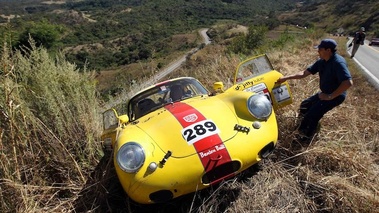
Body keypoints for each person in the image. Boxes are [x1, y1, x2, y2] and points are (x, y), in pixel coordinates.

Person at [277, 38, 353, 142]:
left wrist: (330, 96)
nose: (318, 52)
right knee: (305, 105)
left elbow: (348, 83)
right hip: (325, 93)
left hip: (336, 96)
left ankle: (304, 138)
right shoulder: (322, 61)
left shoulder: (338, 63)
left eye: (320, 49)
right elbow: (304, 73)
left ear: (328, 50)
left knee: (312, 115)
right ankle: (302, 126)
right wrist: (286, 78)